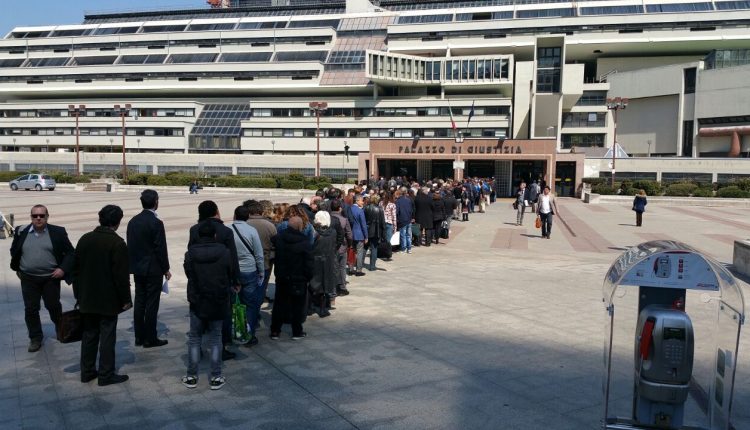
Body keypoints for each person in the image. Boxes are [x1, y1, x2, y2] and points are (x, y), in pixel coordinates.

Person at [74, 205, 132, 386]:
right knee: (107, 336)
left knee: (89, 334)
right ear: (118, 221)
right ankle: (106, 374)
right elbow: (121, 276)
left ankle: (87, 371)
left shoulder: (85, 239)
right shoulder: (117, 243)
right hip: (108, 300)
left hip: (87, 298)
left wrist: (79, 295)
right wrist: (126, 300)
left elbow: (75, 270)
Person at [10, 204, 75, 353]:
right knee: (31, 309)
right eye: (35, 216)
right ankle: (35, 338)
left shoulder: (58, 232)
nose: (38, 218)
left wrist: (62, 269)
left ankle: (61, 330)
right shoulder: (21, 231)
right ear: (31, 217)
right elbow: (15, 250)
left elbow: (71, 253)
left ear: (47, 216)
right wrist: (19, 268)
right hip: (28, 278)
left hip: (50, 278)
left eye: (41, 215)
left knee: (53, 306)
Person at [183, 221, 237, 390]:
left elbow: (188, 272)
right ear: (215, 235)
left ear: (198, 236)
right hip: (218, 297)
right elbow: (231, 271)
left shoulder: (190, 253)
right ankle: (216, 376)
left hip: (197, 298)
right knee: (216, 337)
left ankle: (192, 375)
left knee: (194, 338)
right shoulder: (224, 252)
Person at [188, 200, 240, 361]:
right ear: (216, 211)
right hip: (220, 279)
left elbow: (190, 252)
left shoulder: (194, 229)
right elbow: (233, 257)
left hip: (199, 278)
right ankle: (222, 347)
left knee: (199, 312)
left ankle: (198, 348)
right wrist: (236, 280)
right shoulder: (225, 231)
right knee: (223, 314)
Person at [127, 189, 171, 348]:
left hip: (138, 268)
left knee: (140, 301)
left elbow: (130, 245)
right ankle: (150, 338)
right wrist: (166, 268)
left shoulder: (133, 221)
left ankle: (139, 336)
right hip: (153, 269)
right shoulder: (156, 223)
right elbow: (160, 248)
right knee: (152, 303)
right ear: (156, 202)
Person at [269, 216, 313, 340]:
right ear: (300, 226)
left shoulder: (279, 238)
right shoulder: (304, 241)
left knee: (279, 304)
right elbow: (309, 262)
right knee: (297, 306)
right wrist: (308, 276)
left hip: (282, 276)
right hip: (299, 278)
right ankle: (297, 331)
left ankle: (275, 331)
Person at [230, 205, 265, 345]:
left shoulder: (228, 230)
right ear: (248, 216)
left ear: (234, 215)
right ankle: (249, 335)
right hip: (250, 270)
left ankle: (234, 332)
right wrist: (261, 271)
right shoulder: (252, 231)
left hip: (233, 271)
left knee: (233, 303)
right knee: (250, 304)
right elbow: (258, 254)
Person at [243, 200, 277, 309]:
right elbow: (275, 245)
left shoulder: (244, 224)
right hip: (265, 262)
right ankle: (255, 312)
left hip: (246, 264)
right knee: (261, 289)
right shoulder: (270, 226)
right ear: (262, 212)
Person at [310, 211, 336, 317]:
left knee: (313, 283)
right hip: (328, 259)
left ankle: (311, 306)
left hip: (315, 259)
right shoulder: (332, 232)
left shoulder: (314, 231)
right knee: (325, 284)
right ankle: (323, 308)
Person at [329, 199, 352, 296]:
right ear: (340, 208)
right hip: (342, 246)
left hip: (330, 246)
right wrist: (350, 244)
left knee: (333, 267)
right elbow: (349, 234)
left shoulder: (328, 218)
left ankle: (333, 288)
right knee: (342, 267)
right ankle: (342, 287)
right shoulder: (344, 219)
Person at [364, 195, 386, 271]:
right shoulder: (380, 209)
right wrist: (384, 233)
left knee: (365, 247)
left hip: (367, 230)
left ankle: (359, 264)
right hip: (376, 231)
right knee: (374, 248)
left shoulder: (366, 208)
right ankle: (372, 266)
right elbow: (383, 222)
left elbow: (364, 219)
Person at [350, 196, 368, 276]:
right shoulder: (360, 211)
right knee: (360, 252)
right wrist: (366, 236)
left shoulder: (349, 209)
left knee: (351, 251)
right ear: (357, 201)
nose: (363, 202)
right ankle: (358, 270)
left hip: (350, 233)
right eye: (361, 201)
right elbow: (363, 225)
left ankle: (351, 268)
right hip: (359, 234)